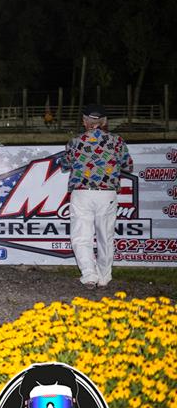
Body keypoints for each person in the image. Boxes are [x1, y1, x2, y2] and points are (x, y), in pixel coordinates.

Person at [61, 104, 132, 288]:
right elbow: (128, 166)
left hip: (82, 192)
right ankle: (104, 277)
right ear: (105, 121)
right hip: (107, 193)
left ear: (85, 121)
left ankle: (89, 275)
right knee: (105, 236)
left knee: (81, 235)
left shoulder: (75, 141)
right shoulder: (116, 141)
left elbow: (64, 164)